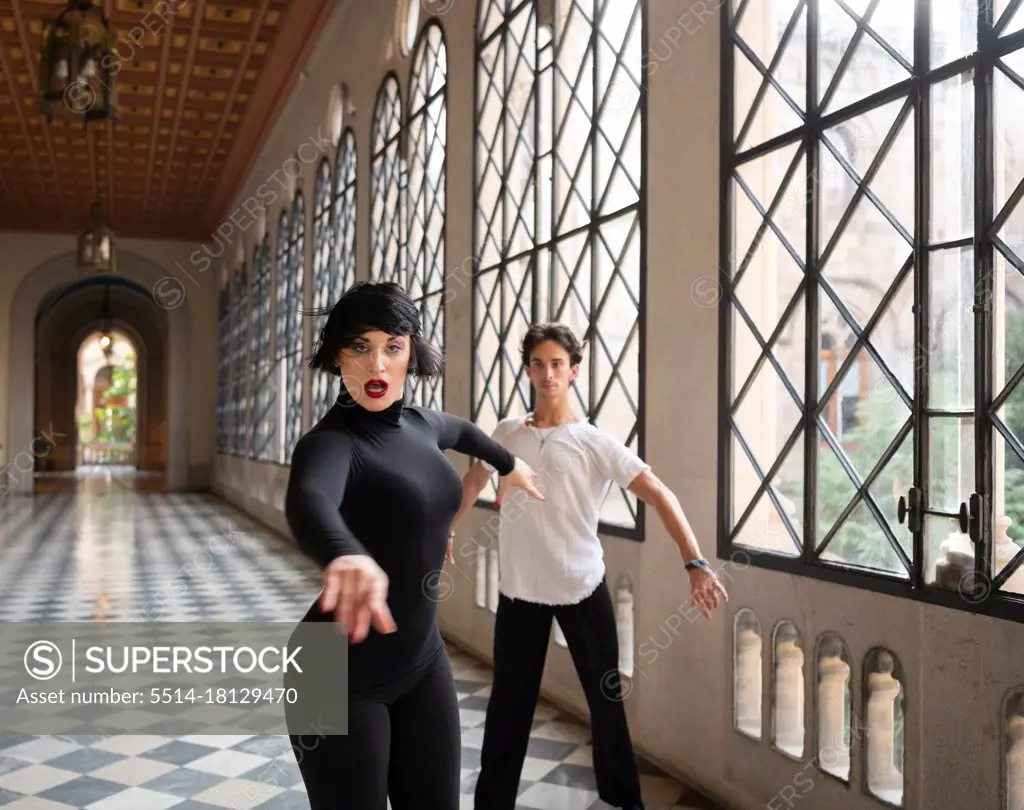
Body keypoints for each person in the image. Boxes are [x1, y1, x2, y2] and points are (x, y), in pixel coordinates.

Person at [282, 281, 543, 810]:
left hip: (420, 657)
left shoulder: (424, 425)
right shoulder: (331, 444)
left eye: (392, 346)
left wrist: (509, 465)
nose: (377, 364)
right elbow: (309, 498)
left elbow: (468, 432)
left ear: (410, 354)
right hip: (329, 669)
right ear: (337, 356)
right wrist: (345, 552)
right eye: (360, 346)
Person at [451, 323, 729, 810]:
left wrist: (695, 561)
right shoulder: (506, 433)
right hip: (520, 596)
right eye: (538, 363)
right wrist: (446, 528)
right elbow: (473, 481)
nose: (547, 373)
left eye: (557, 363)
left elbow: (661, 495)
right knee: (508, 708)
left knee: (606, 705)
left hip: (583, 591)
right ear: (529, 369)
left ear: (574, 370)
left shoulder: (594, 442)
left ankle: (625, 802)